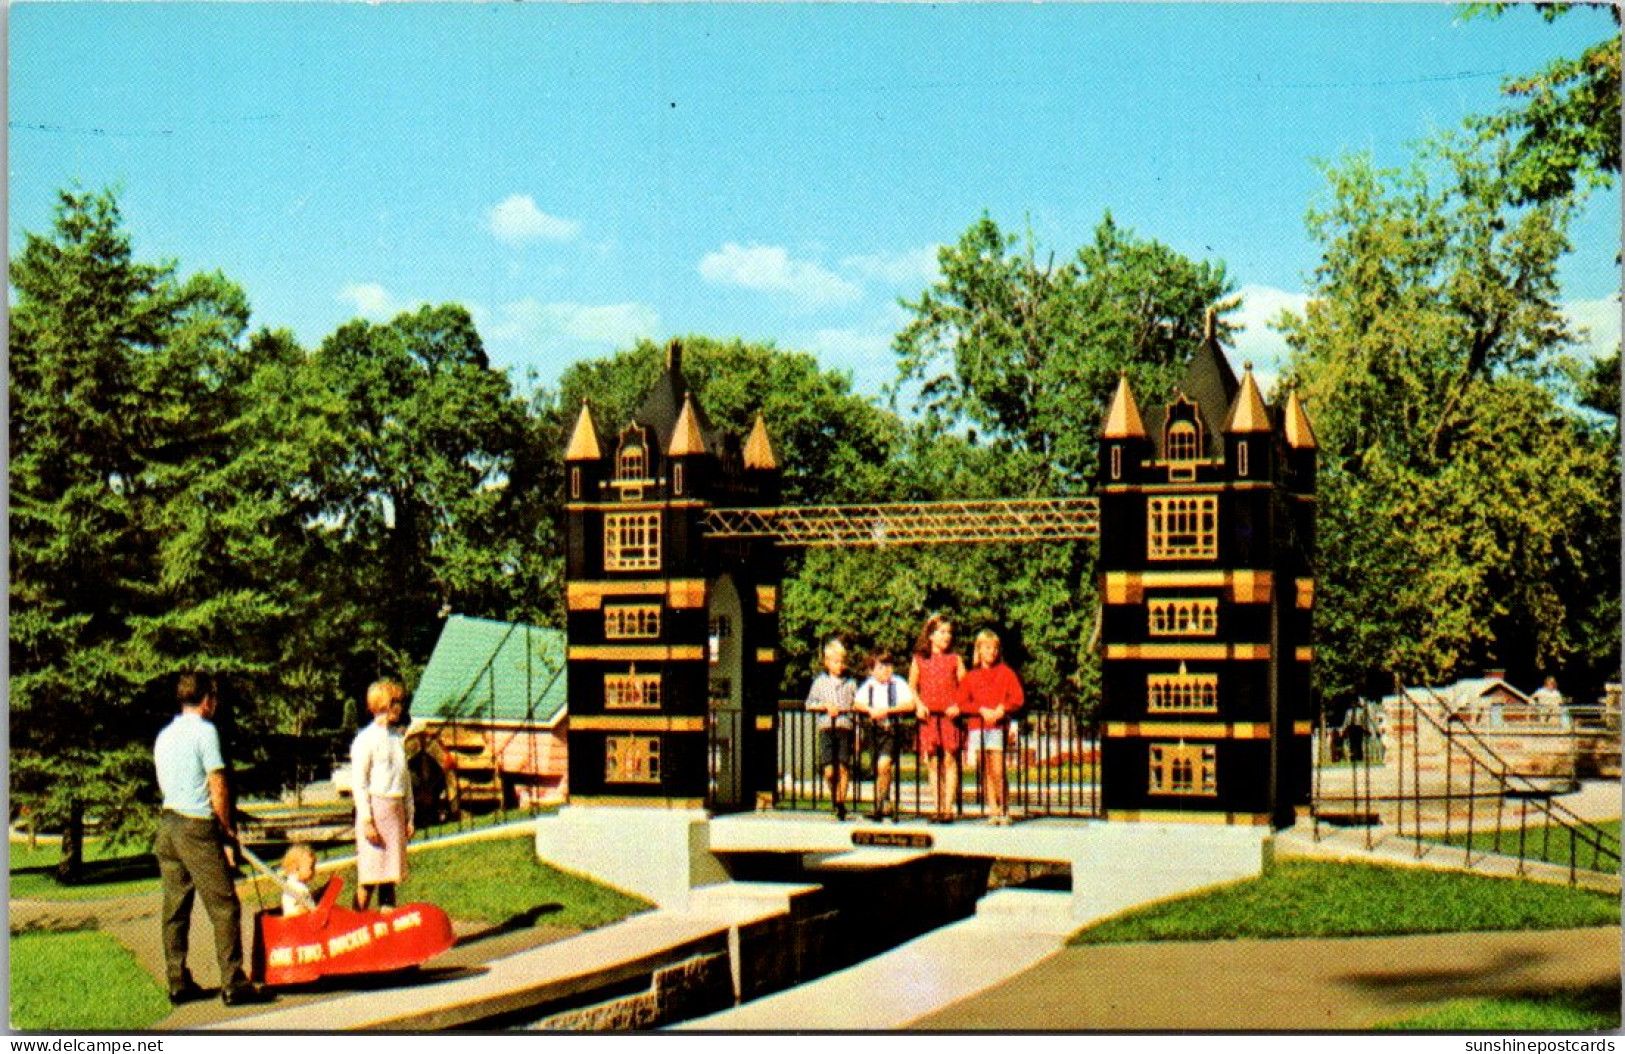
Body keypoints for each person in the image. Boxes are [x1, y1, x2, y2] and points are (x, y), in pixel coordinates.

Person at [153, 673, 272, 1007]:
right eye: (214, 698)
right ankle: (234, 982)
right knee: (224, 905)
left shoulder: (164, 736)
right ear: (206, 699)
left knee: (175, 907)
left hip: (168, 823)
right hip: (195, 825)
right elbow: (217, 782)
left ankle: (178, 981)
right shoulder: (206, 732)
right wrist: (226, 826)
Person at [351, 679, 414, 911]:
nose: (400, 707)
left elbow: (404, 778)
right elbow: (359, 782)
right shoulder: (365, 740)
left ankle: (387, 923)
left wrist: (409, 815)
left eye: (401, 702)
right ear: (382, 704)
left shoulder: (397, 738)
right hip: (375, 813)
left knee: (389, 875)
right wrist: (367, 820)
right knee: (370, 876)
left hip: (395, 811)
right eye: (395, 702)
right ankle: (356, 921)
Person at [960, 629, 1025, 825]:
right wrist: (980, 709)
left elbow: (1018, 699)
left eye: (995, 648)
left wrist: (1002, 708)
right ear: (979, 650)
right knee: (984, 769)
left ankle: (1004, 808)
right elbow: (962, 702)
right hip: (977, 726)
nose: (992, 652)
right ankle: (993, 810)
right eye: (987, 648)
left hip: (997, 727)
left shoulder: (1006, 673)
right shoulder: (971, 676)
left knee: (998, 769)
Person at [910, 615, 967, 824]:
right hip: (929, 717)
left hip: (949, 717)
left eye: (949, 632)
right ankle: (936, 806)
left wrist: (958, 705)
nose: (947, 636)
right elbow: (912, 686)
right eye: (942, 632)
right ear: (931, 635)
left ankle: (948, 807)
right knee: (933, 762)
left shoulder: (955, 659)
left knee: (950, 759)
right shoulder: (919, 659)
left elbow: (966, 686)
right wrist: (918, 704)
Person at [853, 649, 915, 822]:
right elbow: (857, 703)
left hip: (891, 730)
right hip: (874, 731)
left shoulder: (898, 684)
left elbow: (909, 705)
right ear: (872, 670)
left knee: (884, 764)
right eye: (881, 667)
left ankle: (882, 801)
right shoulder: (869, 685)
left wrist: (888, 711)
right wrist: (870, 710)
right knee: (878, 768)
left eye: (888, 666)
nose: (886, 670)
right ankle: (882, 800)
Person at [805, 638, 857, 820]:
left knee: (843, 766)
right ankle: (835, 798)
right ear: (827, 662)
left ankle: (841, 803)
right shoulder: (820, 682)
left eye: (842, 661)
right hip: (827, 728)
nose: (839, 665)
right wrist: (825, 706)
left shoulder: (850, 683)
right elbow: (809, 704)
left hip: (844, 727)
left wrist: (857, 733)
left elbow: (856, 707)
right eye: (835, 661)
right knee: (829, 770)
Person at [279, 844, 318, 917]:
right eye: (311, 867)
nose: (313, 871)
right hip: (297, 921)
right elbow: (297, 909)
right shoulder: (295, 887)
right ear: (295, 868)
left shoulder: (296, 884)